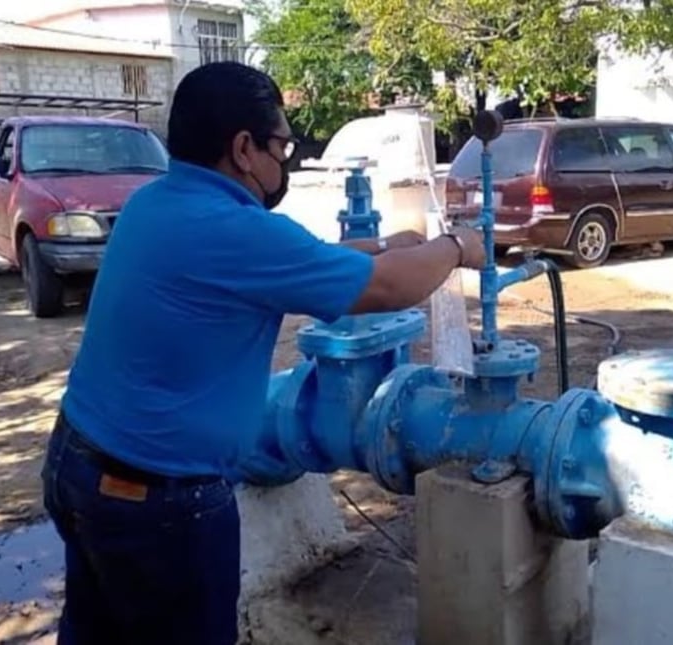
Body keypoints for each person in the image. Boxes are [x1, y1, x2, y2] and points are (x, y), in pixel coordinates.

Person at [40, 62, 485, 645]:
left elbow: (299, 259)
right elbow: (387, 289)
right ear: (244, 149)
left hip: (77, 465)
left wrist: (385, 244)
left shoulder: (154, 203)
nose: (287, 162)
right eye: (283, 146)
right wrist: (456, 247)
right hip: (159, 505)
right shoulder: (236, 230)